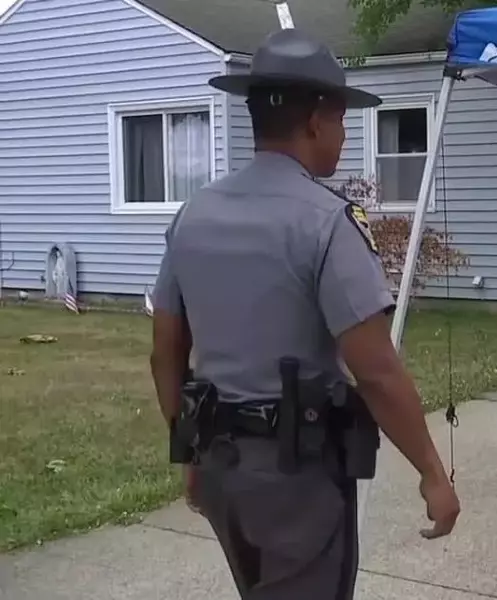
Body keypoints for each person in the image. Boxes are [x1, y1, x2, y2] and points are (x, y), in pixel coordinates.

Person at [148, 28, 460, 600]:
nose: (343, 136)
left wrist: (189, 449)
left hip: (220, 463)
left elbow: (165, 350)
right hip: (294, 477)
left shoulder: (193, 215)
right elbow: (376, 372)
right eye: (342, 121)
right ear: (316, 119)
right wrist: (433, 473)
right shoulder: (326, 222)